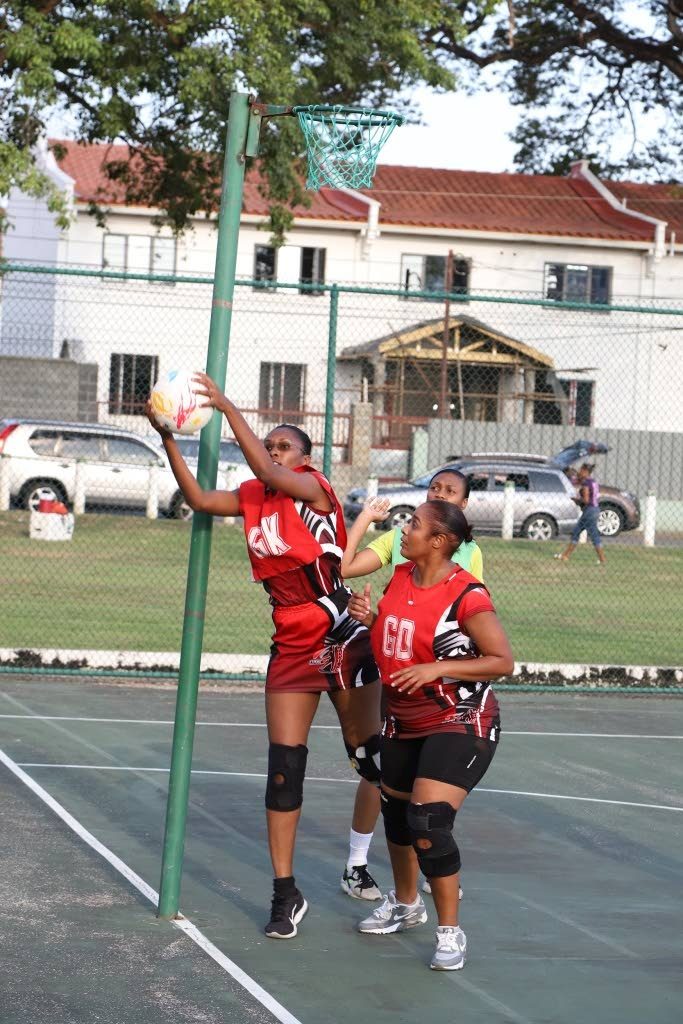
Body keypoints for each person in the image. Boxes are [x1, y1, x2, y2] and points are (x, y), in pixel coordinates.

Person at [146, 373, 383, 939]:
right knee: (283, 771)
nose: (275, 452)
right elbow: (202, 499)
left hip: (340, 632)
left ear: (304, 459)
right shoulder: (255, 497)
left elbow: (267, 471)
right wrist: (169, 439)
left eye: (285, 446)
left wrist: (226, 405)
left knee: (371, 759)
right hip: (291, 642)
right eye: (270, 443)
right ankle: (286, 893)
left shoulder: (313, 488)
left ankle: (388, 867)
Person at [348, 501, 513, 971]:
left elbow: (502, 660)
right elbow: (397, 640)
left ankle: (450, 931)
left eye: (415, 524)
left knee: (428, 821)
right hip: (403, 720)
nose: (406, 529)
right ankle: (406, 904)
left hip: (461, 719)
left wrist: (437, 668)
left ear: (439, 542)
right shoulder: (401, 577)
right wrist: (370, 619)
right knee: (397, 819)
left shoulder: (467, 594)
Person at [340, 468, 484, 899]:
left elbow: (469, 632)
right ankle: (357, 864)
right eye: (435, 488)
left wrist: (440, 669)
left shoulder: (465, 562)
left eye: (449, 491)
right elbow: (347, 569)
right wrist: (364, 519)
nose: (439, 493)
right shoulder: (401, 556)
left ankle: (432, 868)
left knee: (429, 798)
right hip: (400, 679)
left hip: (440, 693)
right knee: (380, 774)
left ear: (462, 506)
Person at [555, 462, 606, 565]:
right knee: (576, 532)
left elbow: (586, 500)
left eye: (581, 470)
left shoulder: (586, 483)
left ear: (585, 471)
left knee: (593, 535)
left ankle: (602, 559)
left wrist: (576, 500)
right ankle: (565, 556)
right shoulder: (593, 482)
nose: (579, 472)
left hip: (589, 511)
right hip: (594, 509)